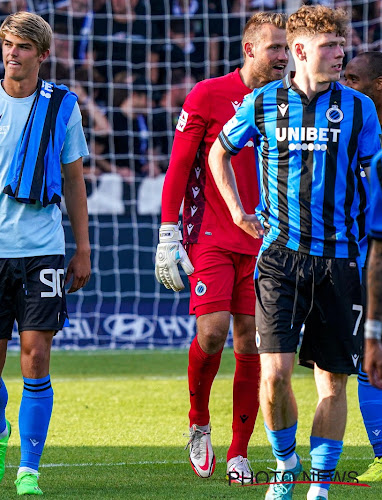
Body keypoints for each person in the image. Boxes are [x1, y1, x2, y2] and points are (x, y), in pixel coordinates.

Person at [209, 6, 382, 499]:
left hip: (340, 263)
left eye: (342, 46)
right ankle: (286, 466)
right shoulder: (263, 103)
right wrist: (240, 213)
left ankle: (318, 488)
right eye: (330, 47)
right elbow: (219, 151)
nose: (341, 54)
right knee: (276, 376)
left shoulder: (359, 109)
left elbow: (374, 173)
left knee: (333, 383)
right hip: (280, 258)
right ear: (301, 51)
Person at [0, 12, 90, 496]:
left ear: (42, 55)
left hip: (44, 251)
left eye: (24, 46)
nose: (13, 53)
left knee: (36, 357)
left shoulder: (61, 109)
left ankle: (29, 468)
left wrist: (82, 249)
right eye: (8, 44)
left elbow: (74, 181)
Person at [155, 12, 288, 485]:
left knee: (251, 341)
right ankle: (198, 422)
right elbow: (178, 168)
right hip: (211, 233)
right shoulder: (208, 95)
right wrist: (168, 230)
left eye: (286, 47)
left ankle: (238, 452)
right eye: (274, 47)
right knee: (211, 334)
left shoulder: (290, 100)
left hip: (267, 240)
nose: (283, 56)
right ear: (250, 49)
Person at [343, 51, 382, 483]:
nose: (347, 86)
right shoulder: (348, 133)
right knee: (368, 358)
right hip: (364, 260)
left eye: (355, 78)